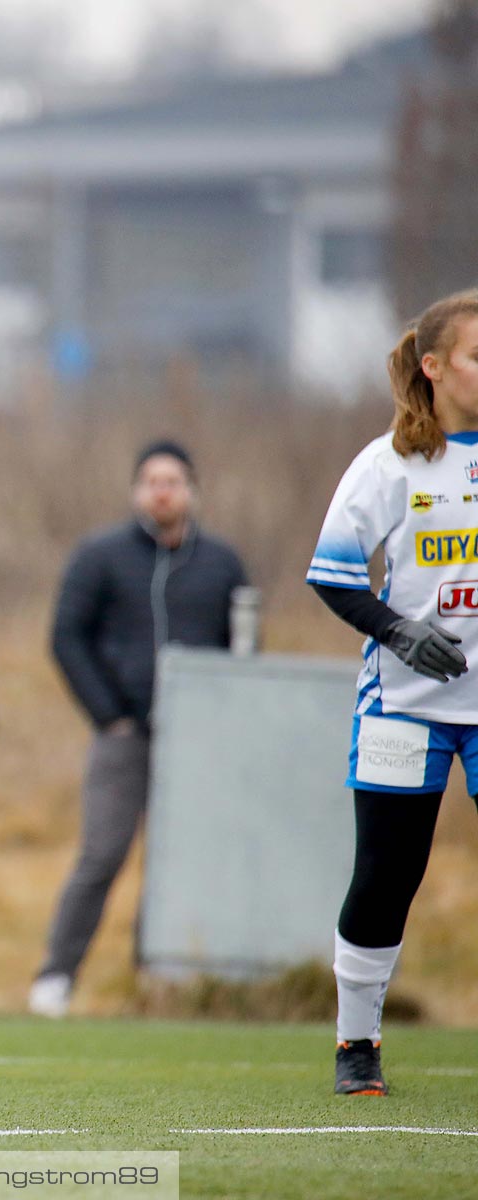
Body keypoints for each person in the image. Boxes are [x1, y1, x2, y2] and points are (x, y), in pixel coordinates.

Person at [308, 289, 478, 1096]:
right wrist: (400, 633)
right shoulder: (390, 463)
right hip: (405, 708)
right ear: (434, 366)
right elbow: (333, 574)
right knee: (386, 874)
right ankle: (356, 1046)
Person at [27, 439, 246, 1018]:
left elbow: (244, 649)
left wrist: (223, 721)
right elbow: (65, 637)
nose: (162, 490)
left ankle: (161, 980)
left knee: (182, 864)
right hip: (124, 736)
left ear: (192, 490)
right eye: (151, 480)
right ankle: (55, 978)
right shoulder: (100, 555)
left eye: (172, 480)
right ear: (136, 491)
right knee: (101, 856)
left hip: (198, 743)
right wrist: (109, 715)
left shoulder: (221, 564)